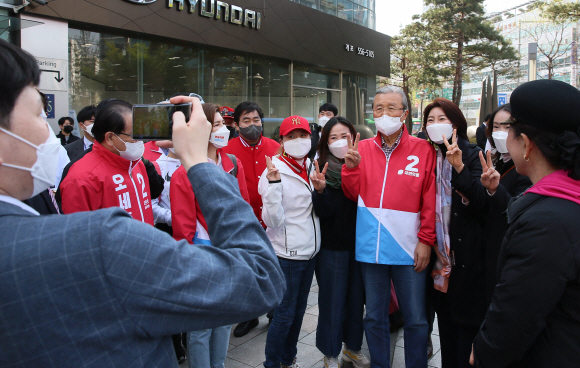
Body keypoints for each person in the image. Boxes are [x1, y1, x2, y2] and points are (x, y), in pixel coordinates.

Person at [0, 39, 285, 367]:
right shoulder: (101, 235)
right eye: (39, 112)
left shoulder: (135, 169)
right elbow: (262, 279)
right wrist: (198, 162)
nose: (51, 132)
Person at [470, 80, 580, 368]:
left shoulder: (546, 222)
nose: (504, 137)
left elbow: (516, 315)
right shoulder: (566, 201)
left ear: (527, 144)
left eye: (510, 130)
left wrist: (482, 352)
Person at [341, 86, 436, 368]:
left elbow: (429, 198)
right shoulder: (363, 148)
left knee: (416, 318)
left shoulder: (423, 150)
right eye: (379, 108)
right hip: (372, 247)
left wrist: (426, 240)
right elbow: (351, 193)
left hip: (409, 248)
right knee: (374, 316)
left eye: (392, 108)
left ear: (405, 113)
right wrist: (351, 168)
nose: (385, 113)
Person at [170, 103, 250, 368]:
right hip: (201, 252)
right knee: (201, 327)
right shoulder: (184, 172)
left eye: (222, 124)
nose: (222, 129)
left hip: (231, 250)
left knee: (225, 320)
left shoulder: (231, 162)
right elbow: (182, 226)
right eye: (215, 124)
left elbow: (244, 204)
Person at [422, 98, 486, 368]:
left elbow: (482, 203)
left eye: (442, 120)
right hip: (431, 251)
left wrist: (458, 166)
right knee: (442, 323)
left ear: (456, 124)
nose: (436, 126)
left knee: (463, 328)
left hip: (461, 254)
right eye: (430, 121)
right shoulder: (424, 155)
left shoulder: (473, 154)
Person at [260, 115, 321, 368]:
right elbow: (271, 220)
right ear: (282, 140)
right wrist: (274, 184)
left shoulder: (311, 165)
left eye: (303, 135)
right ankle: (273, 363)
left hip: (310, 252)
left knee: (298, 311)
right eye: (291, 136)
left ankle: (288, 359)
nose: (298, 141)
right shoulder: (273, 169)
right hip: (286, 254)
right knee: (284, 314)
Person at [311, 117, 369, 368]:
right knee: (332, 303)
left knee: (357, 303)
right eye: (333, 137)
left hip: (360, 246)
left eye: (344, 136)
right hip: (331, 249)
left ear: (354, 137)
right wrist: (321, 191)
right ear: (325, 142)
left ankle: (353, 348)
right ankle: (330, 352)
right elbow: (323, 213)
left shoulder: (365, 165)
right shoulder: (320, 168)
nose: (339, 142)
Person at [222, 101, 281, 337]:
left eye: (256, 120)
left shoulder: (276, 147)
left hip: (272, 219)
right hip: (242, 221)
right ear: (236, 125)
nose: (252, 125)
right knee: (246, 269)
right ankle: (249, 316)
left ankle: (275, 310)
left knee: (274, 265)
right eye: (246, 121)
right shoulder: (227, 149)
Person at [59, 99, 155, 225]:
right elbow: (78, 235)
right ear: (110, 138)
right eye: (134, 135)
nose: (140, 140)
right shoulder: (81, 179)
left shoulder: (136, 164)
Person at [479, 104, 532, 306]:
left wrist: (494, 189)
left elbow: (516, 210)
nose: (501, 133)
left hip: (508, 254)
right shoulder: (495, 161)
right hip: (488, 253)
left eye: (507, 127)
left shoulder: (526, 168)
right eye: (496, 127)